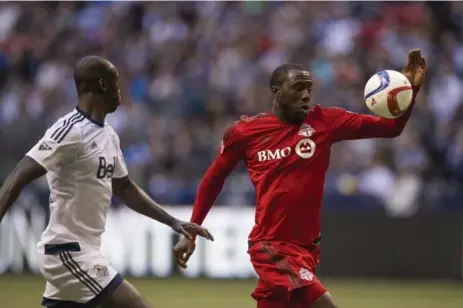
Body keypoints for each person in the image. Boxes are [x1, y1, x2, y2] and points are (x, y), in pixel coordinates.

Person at [173, 49, 426, 308]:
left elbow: (390, 128)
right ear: (276, 91)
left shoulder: (326, 121)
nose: (306, 95)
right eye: (298, 87)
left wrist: (410, 88)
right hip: (271, 246)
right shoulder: (245, 132)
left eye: (309, 88)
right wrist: (191, 231)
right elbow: (214, 178)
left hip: (307, 249)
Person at [0, 55, 214, 308]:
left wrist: (173, 222)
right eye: (115, 83)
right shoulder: (70, 131)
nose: (120, 91)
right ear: (102, 86)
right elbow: (19, 174)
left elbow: (124, 187)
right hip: (68, 252)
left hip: (83, 250)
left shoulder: (108, 135)